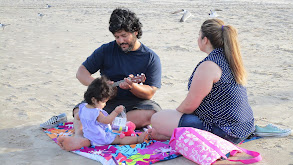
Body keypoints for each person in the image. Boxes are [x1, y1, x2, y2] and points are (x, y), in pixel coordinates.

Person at [150, 19, 255, 144]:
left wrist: (174, 116)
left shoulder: (210, 65)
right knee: (167, 120)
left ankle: (172, 134)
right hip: (245, 127)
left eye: (198, 36)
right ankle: (172, 134)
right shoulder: (230, 59)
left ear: (205, 40)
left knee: (157, 119)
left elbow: (189, 106)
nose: (197, 39)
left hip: (226, 132)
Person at [71, 8, 162, 148]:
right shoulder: (106, 50)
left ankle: (100, 126)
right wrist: (99, 85)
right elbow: (81, 73)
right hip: (105, 101)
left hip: (135, 105)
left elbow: (150, 92)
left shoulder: (150, 57)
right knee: (80, 110)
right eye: (117, 37)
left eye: (124, 36)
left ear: (135, 31)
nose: (121, 41)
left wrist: (133, 87)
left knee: (153, 114)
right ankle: (79, 136)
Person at [57, 76, 147, 151]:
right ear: (94, 100)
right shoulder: (97, 112)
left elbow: (77, 117)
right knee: (119, 139)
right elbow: (106, 121)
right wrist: (116, 112)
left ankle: (82, 142)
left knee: (91, 138)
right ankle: (138, 139)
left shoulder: (83, 107)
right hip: (101, 137)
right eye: (104, 102)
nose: (105, 104)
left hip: (89, 135)